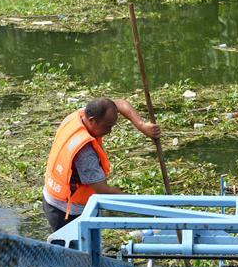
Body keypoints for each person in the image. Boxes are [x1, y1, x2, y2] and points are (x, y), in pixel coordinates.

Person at [43, 97, 160, 231]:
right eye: (107, 126)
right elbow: (104, 191)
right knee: (73, 250)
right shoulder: (85, 153)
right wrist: (144, 205)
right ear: (92, 120)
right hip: (65, 211)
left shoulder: (79, 116)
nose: (109, 131)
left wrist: (142, 125)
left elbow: (120, 104)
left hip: (52, 195)